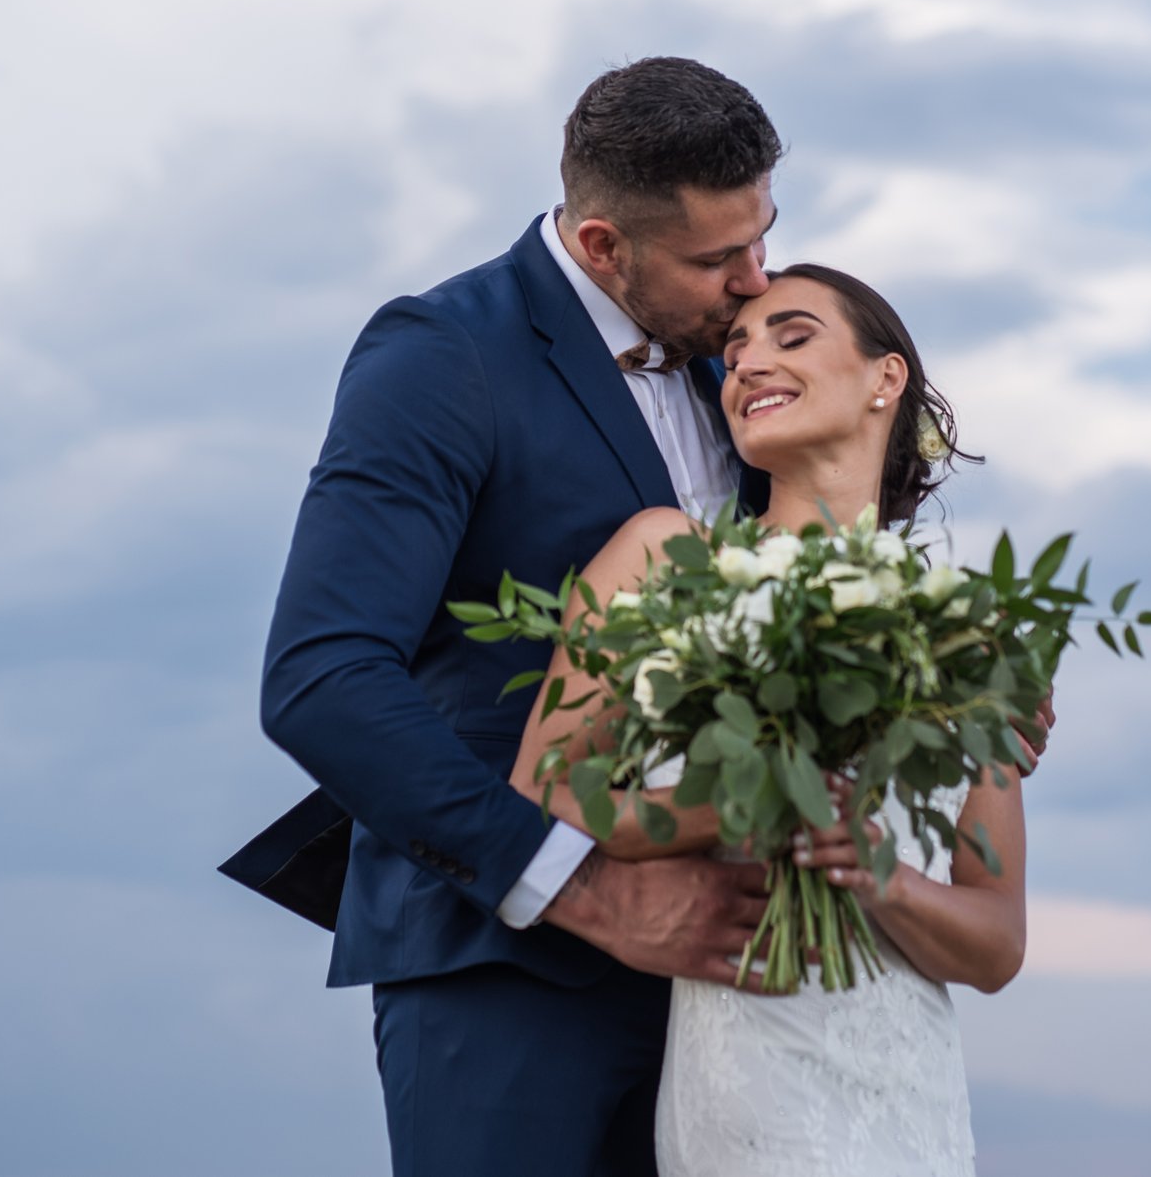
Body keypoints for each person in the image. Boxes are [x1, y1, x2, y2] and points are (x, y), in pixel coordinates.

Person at [260, 57, 794, 1177]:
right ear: (602, 245)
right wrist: (580, 888)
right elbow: (322, 676)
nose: (756, 282)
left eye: (763, 237)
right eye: (715, 259)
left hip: (729, 985)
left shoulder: (742, 365)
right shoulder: (441, 355)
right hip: (502, 972)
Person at [511, 263, 1020, 1176]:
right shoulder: (664, 557)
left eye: (791, 337)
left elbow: (996, 944)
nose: (747, 365)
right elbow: (544, 787)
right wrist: (734, 814)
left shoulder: (961, 628)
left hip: (913, 1092)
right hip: (748, 1071)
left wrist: (880, 875)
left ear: (884, 378)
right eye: (735, 350)